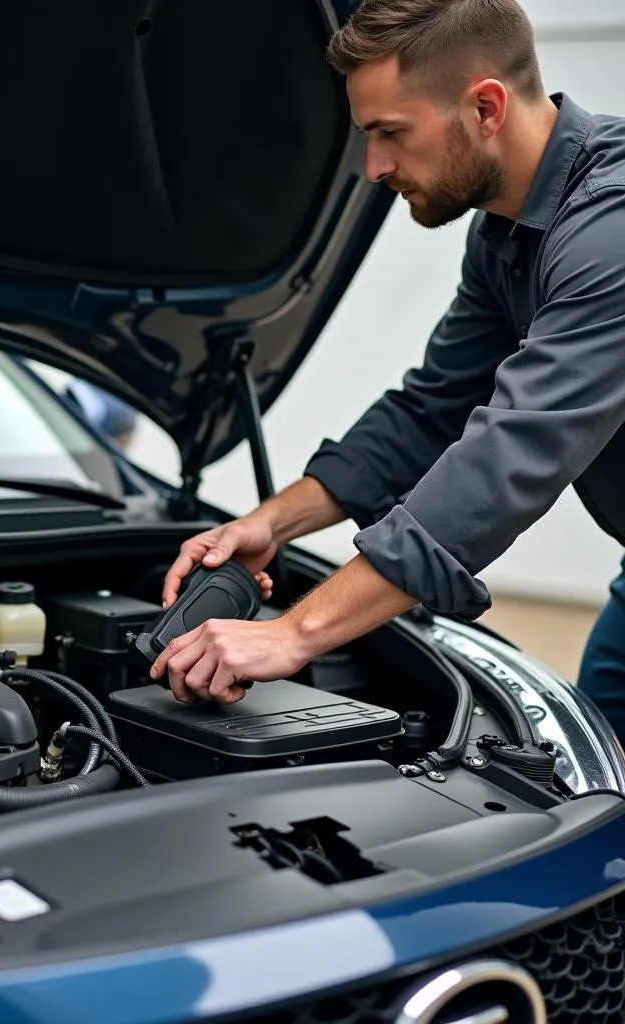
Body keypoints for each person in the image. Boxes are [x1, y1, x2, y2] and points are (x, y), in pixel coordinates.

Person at [152, 0, 625, 742]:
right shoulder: (504, 232)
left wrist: (298, 632)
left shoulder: (611, 232)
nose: (374, 168)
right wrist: (271, 522)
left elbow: (507, 460)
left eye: (389, 134)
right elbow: (431, 410)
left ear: (486, 106)